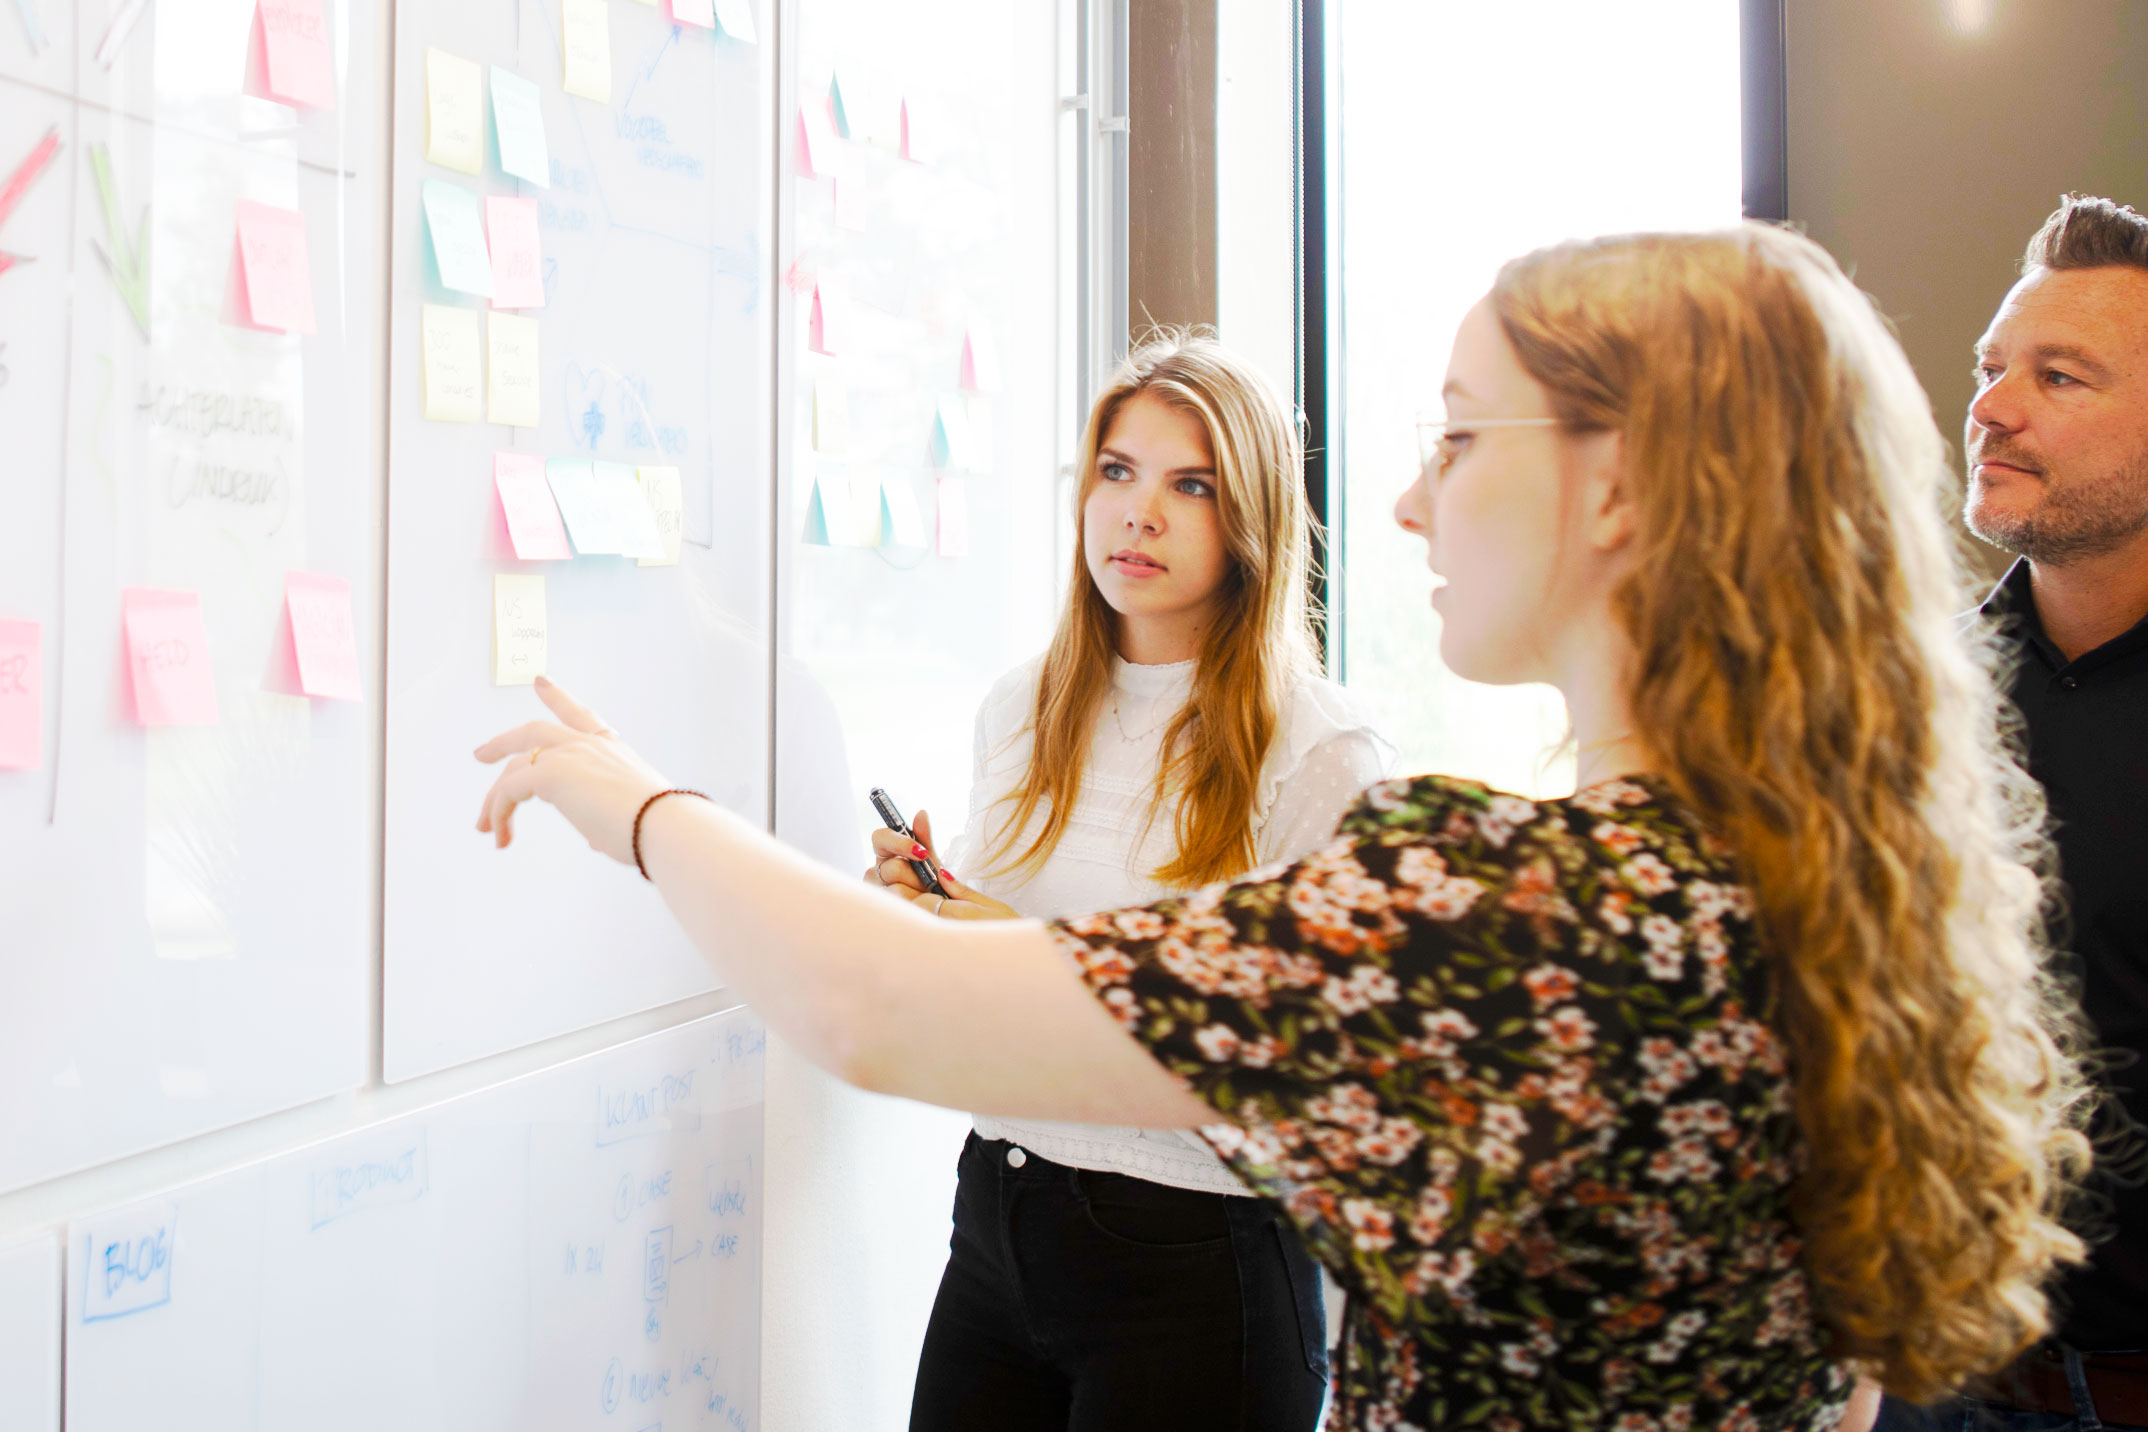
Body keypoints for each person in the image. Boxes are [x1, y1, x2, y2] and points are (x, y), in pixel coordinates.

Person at [473, 224, 2089, 1432]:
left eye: (1457, 435)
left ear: (1619, 489)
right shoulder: (1777, 888)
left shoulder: (1505, 908)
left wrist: (633, 802)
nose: (1405, 501)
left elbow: (873, 1005)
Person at [868, 332, 1393, 1431]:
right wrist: (932, 917)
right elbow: (987, 975)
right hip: (998, 1209)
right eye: (1117, 471)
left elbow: (1309, 1079)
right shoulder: (1020, 706)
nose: (1137, 514)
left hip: (1194, 1258)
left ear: (1247, 515)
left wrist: (1029, 955)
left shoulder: (1321, 748)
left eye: (1188, 485)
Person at [1877, 195, 2148, 1432]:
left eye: (2059, 374)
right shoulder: (1914, 700)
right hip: (1941, 1383)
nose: (1990, 405)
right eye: (1992, 368)